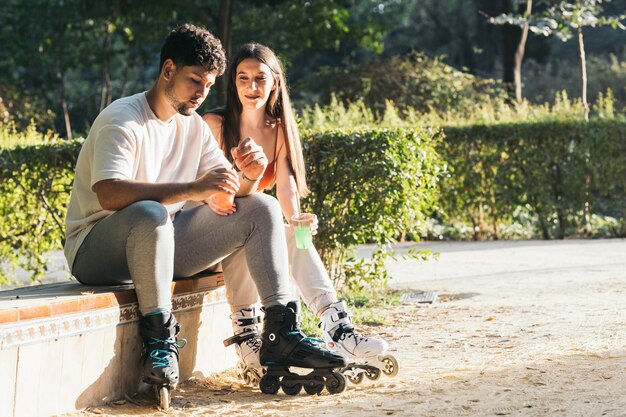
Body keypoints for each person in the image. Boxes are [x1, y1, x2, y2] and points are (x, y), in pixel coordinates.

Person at [63, 25, 346, 407]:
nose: (201, 93)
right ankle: (160, 343)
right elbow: (110, 193)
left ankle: (281, 335)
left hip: (162, 244)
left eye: (209, 85)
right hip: (97, 248)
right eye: (194, 80)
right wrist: (192, 189)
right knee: (149, 213)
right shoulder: (124, 119)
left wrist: (247, 172)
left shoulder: (192, 126)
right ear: (168, 70)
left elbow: (227, 194)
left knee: (261, 207)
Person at [203, 43, 397, 385]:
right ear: (233, 83)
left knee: (294, 229)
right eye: (243, 79)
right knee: (259, 216)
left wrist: (300, 221)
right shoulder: (216, 124)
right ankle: (248, 337)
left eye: (260, 79)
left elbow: (287, 188)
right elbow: (207, 192)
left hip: (247, 225)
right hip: (207, 229)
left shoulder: (278, 130)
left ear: (275, 82)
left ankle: (337, 326)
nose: (251, 88)